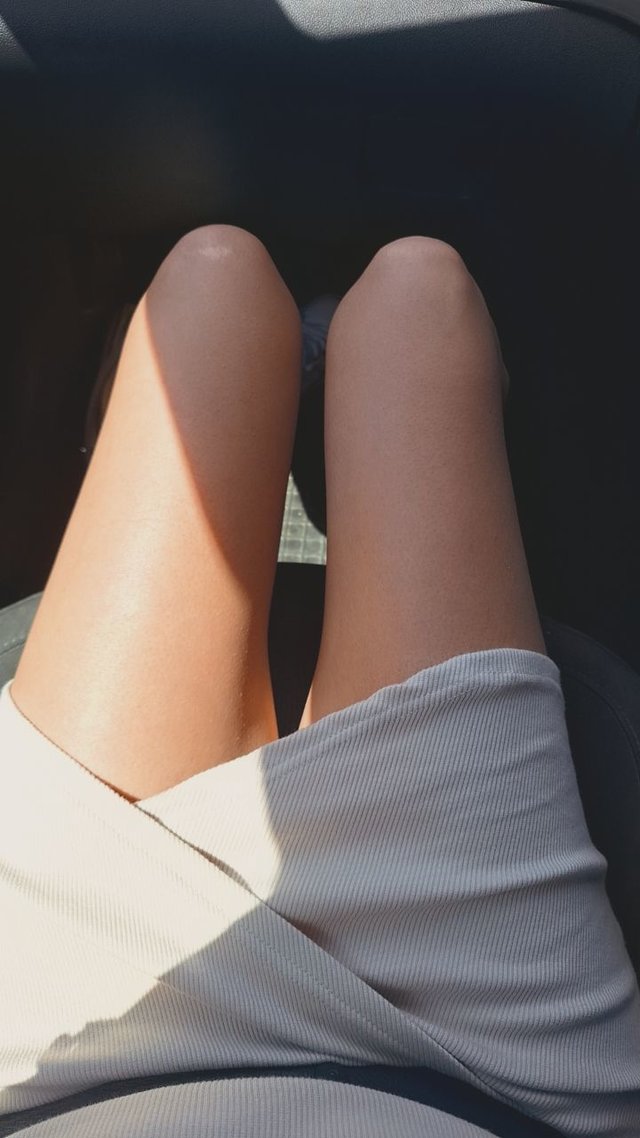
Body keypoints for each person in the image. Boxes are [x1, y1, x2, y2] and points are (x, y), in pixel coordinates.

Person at [0, 227, 639, 1137]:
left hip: (67, 1025)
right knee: (419, 294)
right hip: (484, 1065)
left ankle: (202, 429)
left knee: (212, 281)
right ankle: (354, 436)